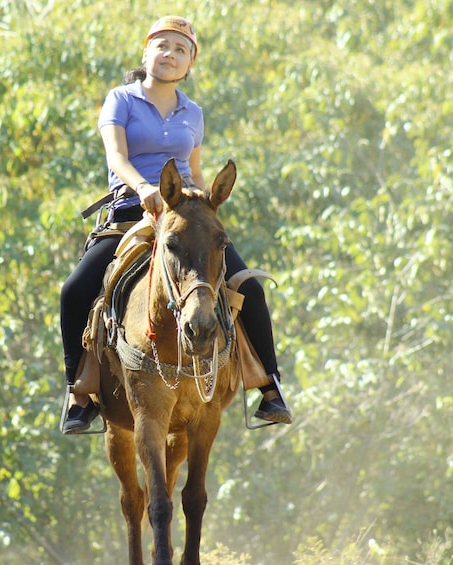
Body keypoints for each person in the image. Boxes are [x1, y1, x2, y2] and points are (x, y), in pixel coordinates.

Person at [59, 16, 291, 434]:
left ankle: (269, 387)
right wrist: (144, 186)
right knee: (75, 290)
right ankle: (79, 393)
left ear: (189, 65)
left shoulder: (194, 113)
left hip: (187, 216)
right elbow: (116, 157)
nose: (169, 54)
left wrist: (208, 209)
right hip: (132, 210)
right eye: (162, 46)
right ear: (146, 52)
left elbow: (195, 172)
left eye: (180, 50)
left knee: (248, 287)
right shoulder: (121, 99)